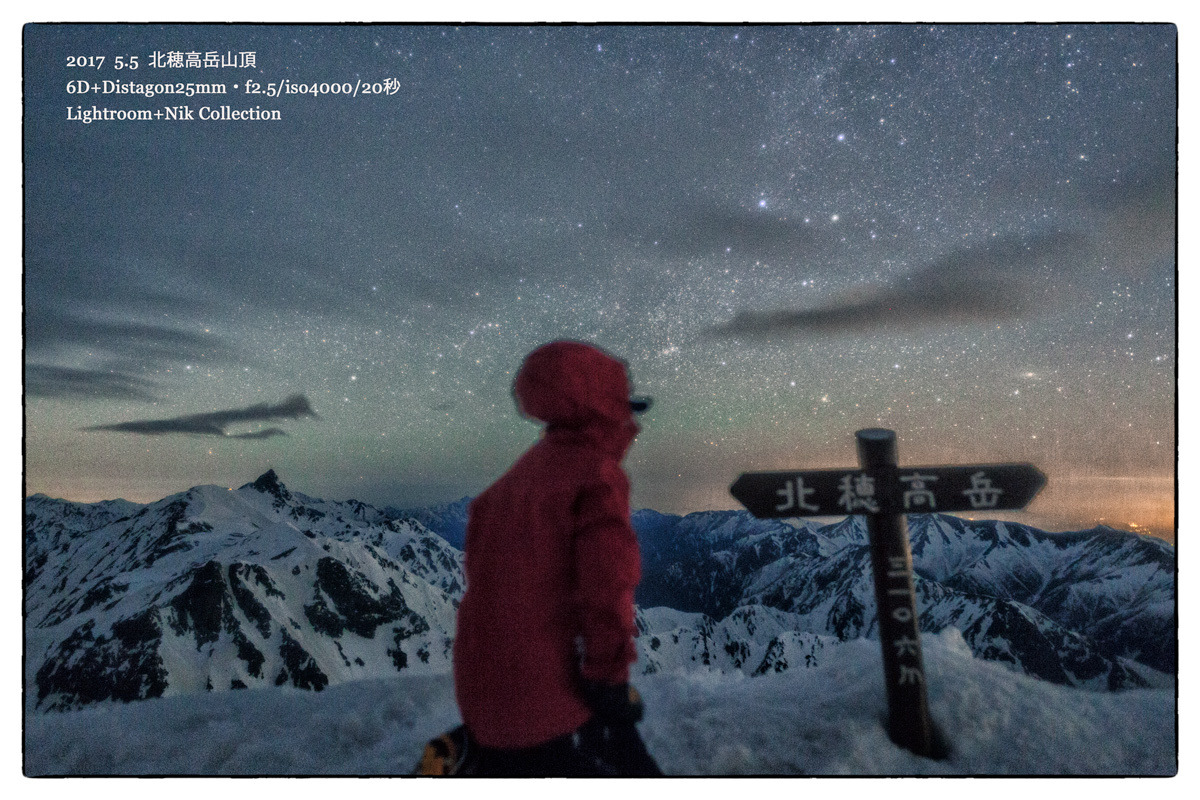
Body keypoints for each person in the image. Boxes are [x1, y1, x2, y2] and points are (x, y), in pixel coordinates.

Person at [451, 340, 661, 776]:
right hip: (550, 705)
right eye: (628, 409)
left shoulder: (509, 485)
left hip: (485, 700)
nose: (634, 424)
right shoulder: (595, 475)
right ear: (606, 410)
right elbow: (607, 585)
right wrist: (610, 682)